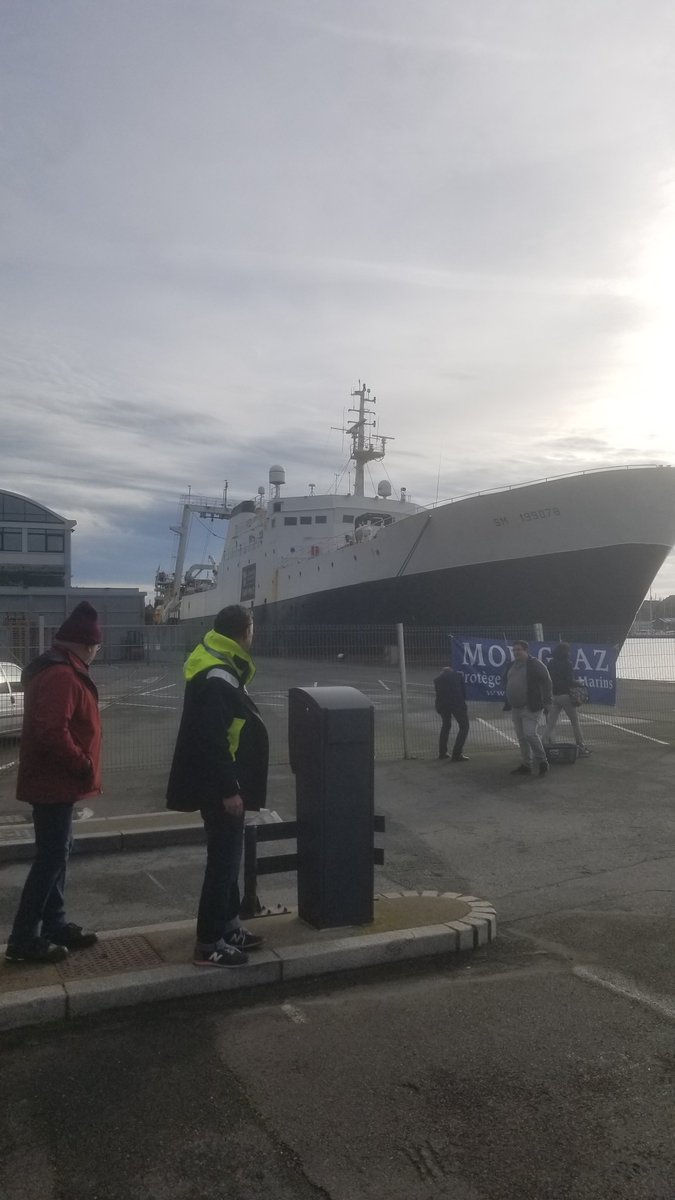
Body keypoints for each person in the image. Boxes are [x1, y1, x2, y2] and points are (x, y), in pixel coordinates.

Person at [166, 605, 269, 967]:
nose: (253, 634)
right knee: (223, 863)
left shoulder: (216, 664)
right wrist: (229, 789)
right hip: (221, 786)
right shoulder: (220, 675)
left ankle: (228, 926)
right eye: (252, 628)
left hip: (220, 781)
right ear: (244, 632)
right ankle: (209, 942)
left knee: (228, 858)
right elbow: (213, 740)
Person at [5, 602, 102, 964]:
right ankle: (23, 939)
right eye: (96, 645)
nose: (97, 651)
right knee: (50, 858)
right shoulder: (62, 674)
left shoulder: (61, 668)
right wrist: (81, 763)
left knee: (57, 854)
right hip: (55, 782)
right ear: (87, 644)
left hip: (56, 782)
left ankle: (53, 925)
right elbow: (51, 731)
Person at [503, 640, 553, 777]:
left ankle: (543, 761)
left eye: (519, 650)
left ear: (526, 650)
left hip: (531, 707)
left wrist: (547, 701)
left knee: (530, 734)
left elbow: (547, 681)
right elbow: (507, 681)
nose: (516, 652)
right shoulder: (512, 665)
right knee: (521, 737)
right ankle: (526, 764)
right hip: (516, 708)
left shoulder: (535, 664)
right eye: (514, 650)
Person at [543, 642, 591, 756]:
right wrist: (579, 683)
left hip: (554, 695)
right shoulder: (567, 664)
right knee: (575, 722)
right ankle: (581, 746)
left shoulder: (551, 663)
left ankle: (543, 743)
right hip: (566, 695)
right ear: (565, 653)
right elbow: (569, 681)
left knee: (551, 722)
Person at [433, 666, 469, 762]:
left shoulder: (437, 680)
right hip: (457, 704)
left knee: (446, 726)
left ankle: (442, 752)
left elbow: (438, 694)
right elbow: (463, 692)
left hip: (443, 705)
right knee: (464, 726)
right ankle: (457, 753)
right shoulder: (458, 676)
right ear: (451, 670)